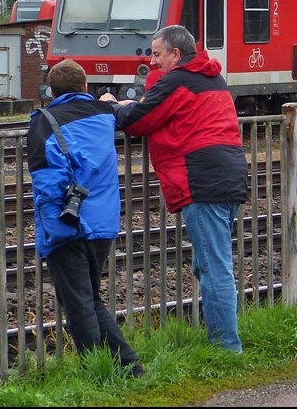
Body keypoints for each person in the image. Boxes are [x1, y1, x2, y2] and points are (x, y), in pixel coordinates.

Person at [101, 25, 247, 352]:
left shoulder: (177, 80)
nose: (152, 61)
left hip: (202, 180)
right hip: (230, 173)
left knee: (214, 268)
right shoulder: (212, 78)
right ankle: (221, 339)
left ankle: (227, 348)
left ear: (175, 55)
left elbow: (139, 119)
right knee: (208, 263)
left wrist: (111, 105)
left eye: (156, 54)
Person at [27, 60, 143, 377]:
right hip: (104, 223)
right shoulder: (105, 116)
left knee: (81, 304)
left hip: (68, 225)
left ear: (50, 91)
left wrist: (53, 232)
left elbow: (47, 182)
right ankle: (123, 368)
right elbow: (122, 111)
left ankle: (104, 371)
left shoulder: (44, 122)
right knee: (86, 299)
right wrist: (113, 101)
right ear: (86, 87)